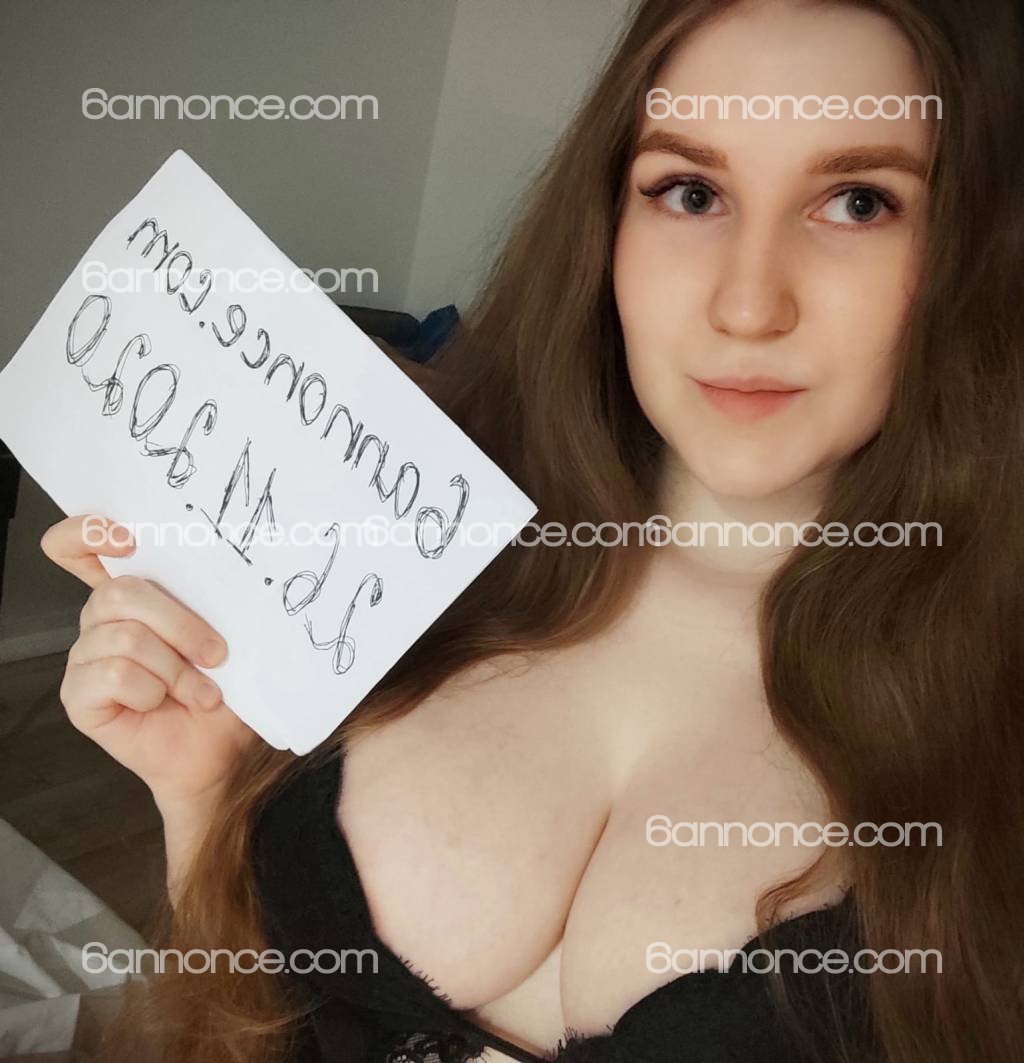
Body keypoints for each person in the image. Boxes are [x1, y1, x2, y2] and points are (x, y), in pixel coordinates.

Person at [40, 0, 1024, 1060]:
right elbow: (247, 1016)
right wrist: (203, 794)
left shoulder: (990, 703)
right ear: (607, 221)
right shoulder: (402, 541)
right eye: (691, 192)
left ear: (974, 250)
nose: (747, 305)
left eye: (859, 202)